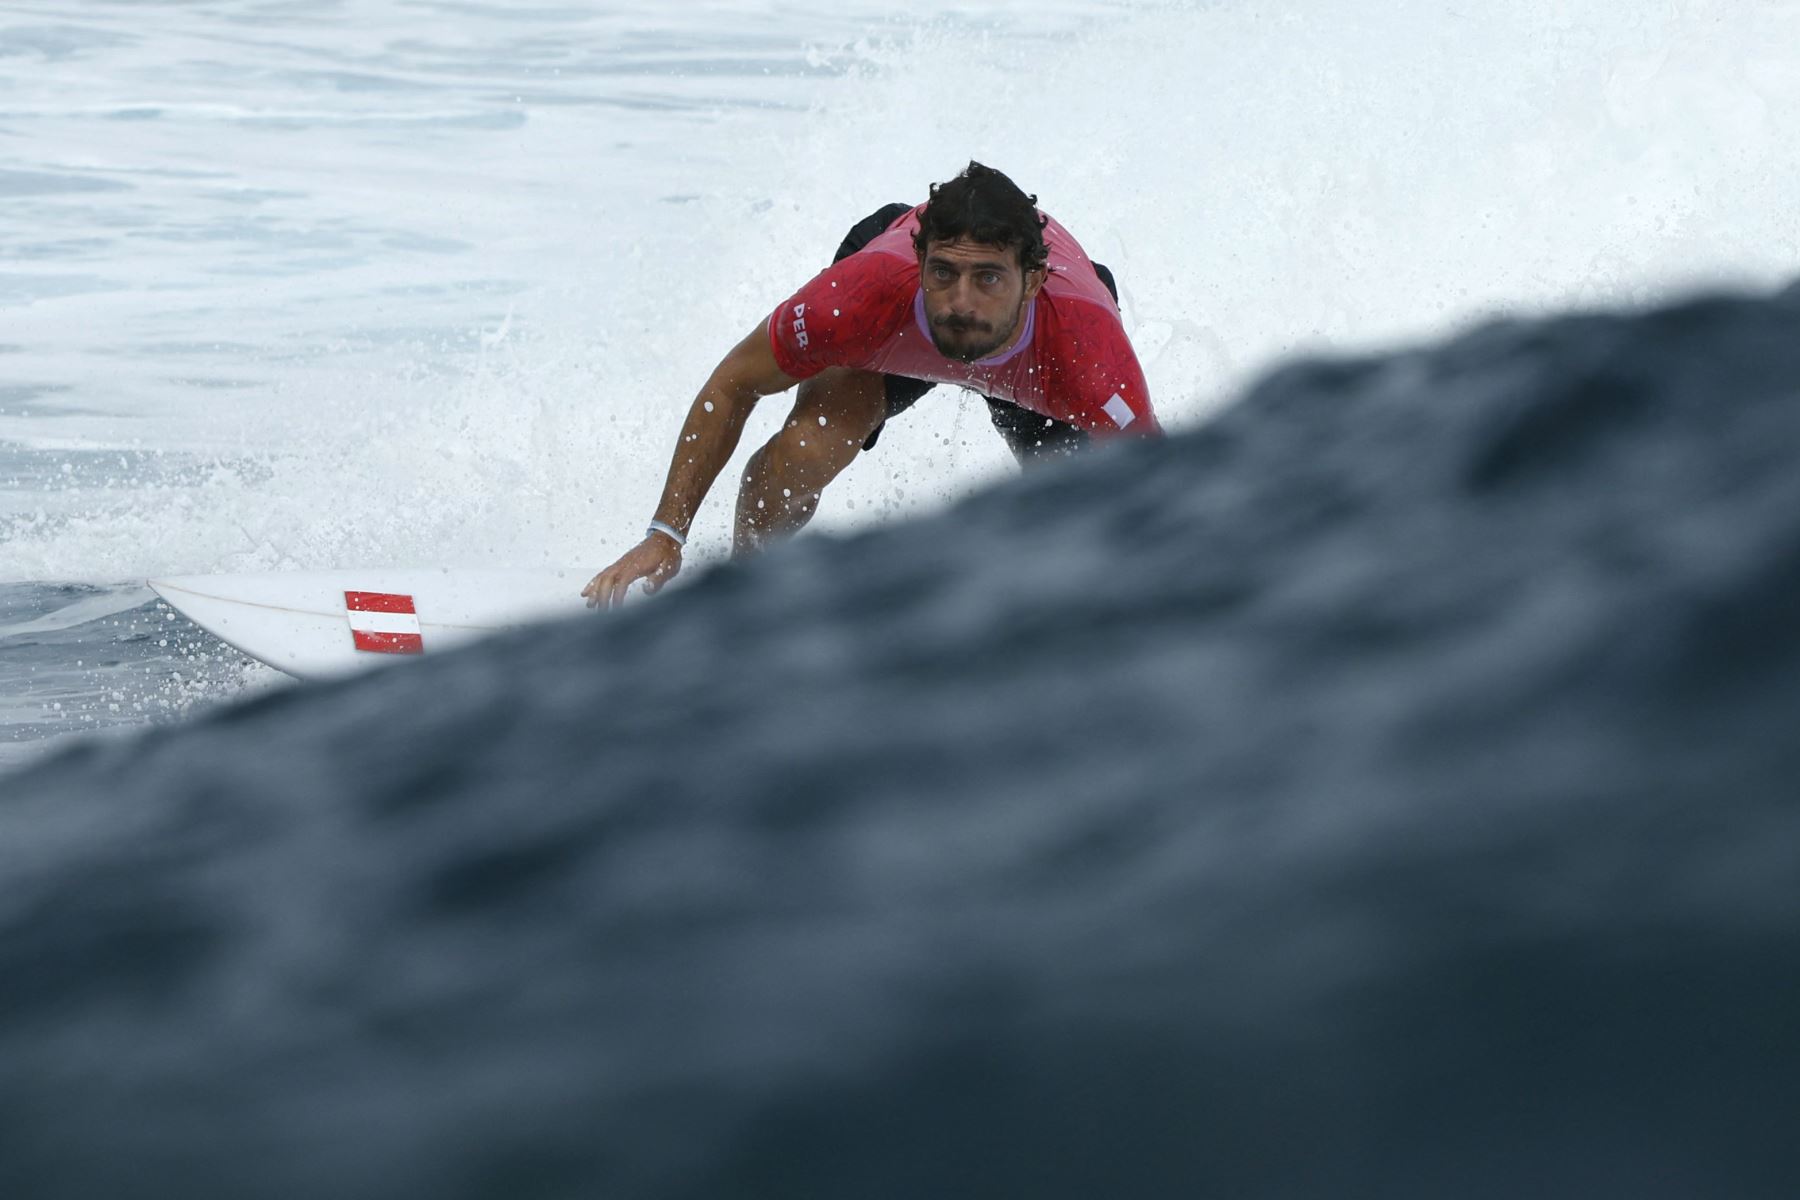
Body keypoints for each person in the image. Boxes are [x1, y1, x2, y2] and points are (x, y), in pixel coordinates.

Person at [582, 161, 1163, 610]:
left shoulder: (1088, 356)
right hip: (893, 331)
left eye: (986, 278)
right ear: (920, 262)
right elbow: (733, 384)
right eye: (943, 274)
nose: (960, 303)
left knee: (1073, 518)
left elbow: (1162, 497)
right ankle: (746, 601)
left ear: (1032, 281)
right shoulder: (864, 297)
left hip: (1039, 361)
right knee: (801, 452)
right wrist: (664, 535)